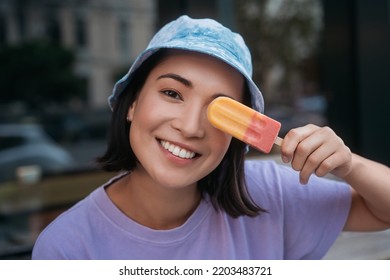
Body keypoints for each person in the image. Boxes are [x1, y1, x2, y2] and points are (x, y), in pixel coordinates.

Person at [32, 15, 390, 260]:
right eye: (172, 93)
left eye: (220, 108)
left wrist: (350, 164)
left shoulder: (269, 193)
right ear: (132, 103)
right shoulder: (67, 248)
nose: (190, 127)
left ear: (238, 131)